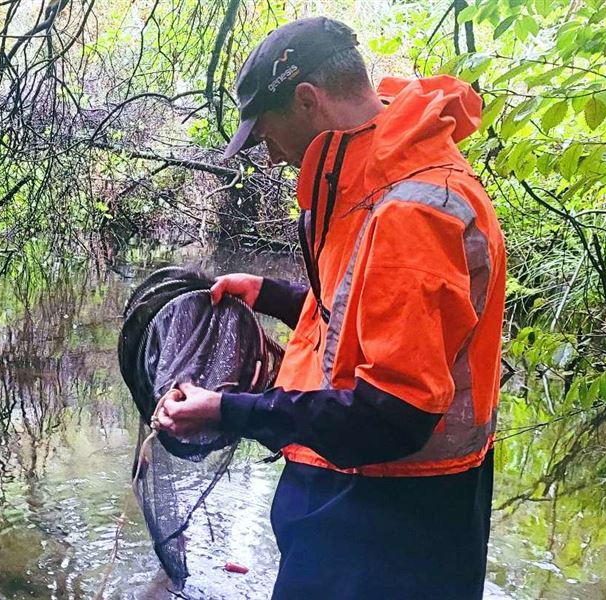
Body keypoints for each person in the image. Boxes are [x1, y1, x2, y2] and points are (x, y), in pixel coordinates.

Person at [156, 17, 507, 599]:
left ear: (307, 101)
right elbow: (362, 322)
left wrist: (229, 410)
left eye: (265, 132)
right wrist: (270, 294)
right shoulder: (367, 178)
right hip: (357, 498)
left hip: (391, 520)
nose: (267, 156)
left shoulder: (413, 210)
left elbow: (390, 416)